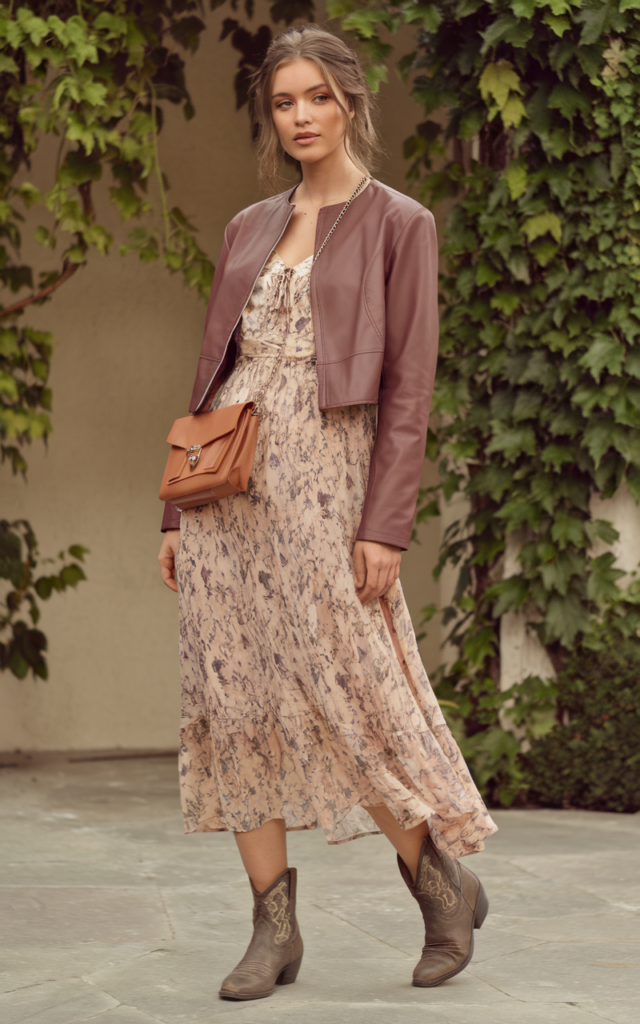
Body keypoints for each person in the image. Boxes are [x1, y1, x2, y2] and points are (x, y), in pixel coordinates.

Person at [157, 23, 497, 1001]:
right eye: (282, 102)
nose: (300, 116)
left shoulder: (400, 223)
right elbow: (211, 372)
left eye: (316, 97)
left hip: (327, 484)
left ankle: (439, 885)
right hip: (229, 491)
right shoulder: (247, 227)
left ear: (350, 102)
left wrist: (383, 525)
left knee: (349, 695)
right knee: (235, 697)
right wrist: (175, 514)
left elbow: (411, 388)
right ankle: (273, 931)